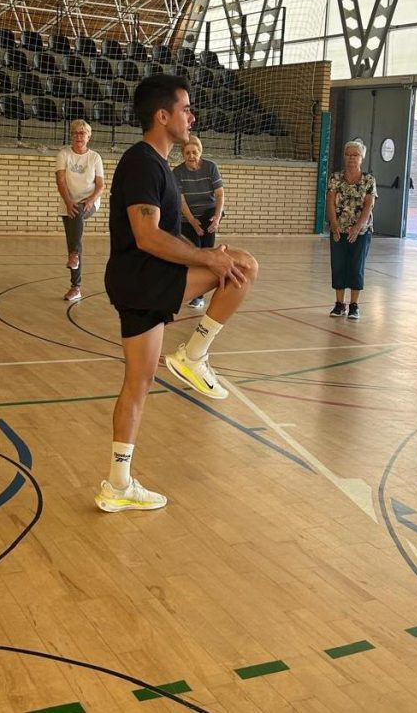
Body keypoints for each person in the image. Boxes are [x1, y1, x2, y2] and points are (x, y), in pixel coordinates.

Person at [96, 74, 258, 514]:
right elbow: (147, 236)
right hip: (142, 276)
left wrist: (204, 256)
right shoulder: (143, 163)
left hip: (138, 280)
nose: (192, 116)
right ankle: (194, 355)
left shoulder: (158, 166)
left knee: (138, 384)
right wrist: (208, 259)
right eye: (186, 108)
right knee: (243, 265)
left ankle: (118, 483)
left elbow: (160, 236)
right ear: (162, 115)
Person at [325, 140, 376, 320]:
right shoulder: (335, 178)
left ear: (361, 157)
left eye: (355, 155)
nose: (351, 158)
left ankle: (354, 305)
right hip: (339, 229)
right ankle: (339, 304)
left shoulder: (368, 180)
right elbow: (330, 201)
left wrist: (357, 227)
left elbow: (369, 205)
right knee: (338, 264)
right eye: (348, 154)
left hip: (361, 231)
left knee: (356, 266)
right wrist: (333, 224)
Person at [173, 134, 225, 309]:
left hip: (208, 213)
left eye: (194, 152)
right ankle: (192, 290)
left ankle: (200, 295)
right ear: (183, 154)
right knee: (195, 254)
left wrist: (217, 217)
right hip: (187, 217)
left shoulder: (211, 167)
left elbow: (219, 194)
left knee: (207, 251)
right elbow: (181, 201)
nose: (191, 156)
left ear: (200, 152)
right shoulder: (178, 172)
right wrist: (193, 223)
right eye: (187, 153)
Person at [56, 119, 105, 303]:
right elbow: (60, 181)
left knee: (74, 247)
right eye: (76, 133)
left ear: (88, 136)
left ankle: (74, 256)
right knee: (72, 241)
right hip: (68, 202)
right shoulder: (64, 154)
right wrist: (68, 202)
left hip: (89, 202)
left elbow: (100, 185)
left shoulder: (95, 157)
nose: (79, 136)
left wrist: (91, 200)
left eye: (82, 133)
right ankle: (75, 287)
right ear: (71, 135)